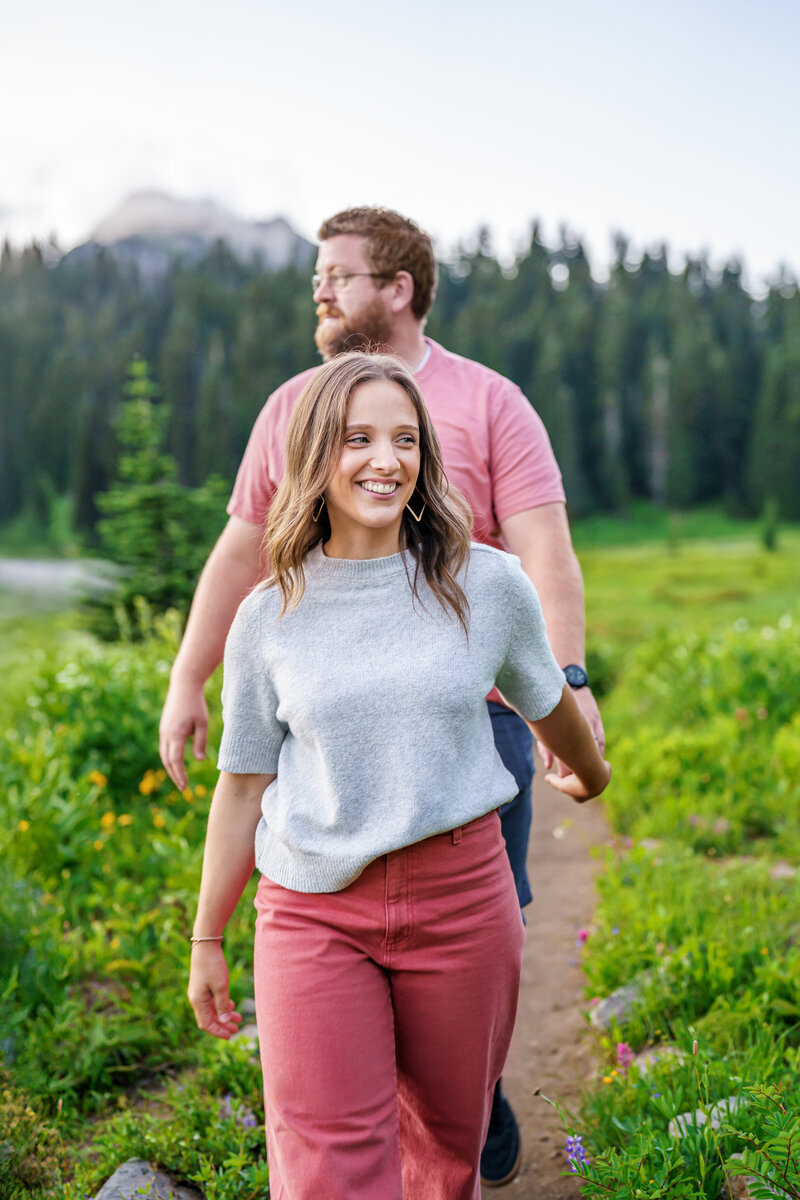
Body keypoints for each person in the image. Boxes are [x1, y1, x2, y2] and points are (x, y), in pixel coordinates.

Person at [162, 206, 606, 1185]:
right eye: (313, 276)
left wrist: (565, 692)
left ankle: (456, 1086)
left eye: (336, 275)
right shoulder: (291, 411)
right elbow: (241, 550)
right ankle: (376, 1075)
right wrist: (188, 678)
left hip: (475, 714)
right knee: (333, 1138)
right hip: (321, 799)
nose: (316, 291)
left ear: (395, 288)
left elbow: (543, 555)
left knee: (484, 938)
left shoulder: (490, 404)